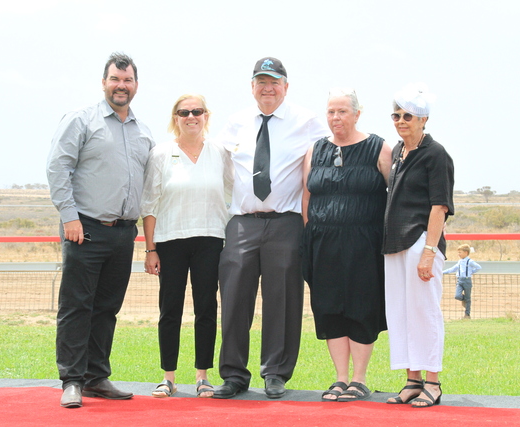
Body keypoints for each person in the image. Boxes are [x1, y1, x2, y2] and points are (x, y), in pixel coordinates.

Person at [213, 57, 329, 399]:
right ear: (252, 87)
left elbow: (331, 155)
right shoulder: (236, 122)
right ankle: (234, 374)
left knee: (282, 300)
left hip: (286, 223)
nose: (268, 88)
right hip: (242, 222)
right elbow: (215, 162)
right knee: (234, 299)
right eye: (261, 82)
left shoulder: (306, 121)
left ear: (286, 87)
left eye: (274, 82)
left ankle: (275, 373)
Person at [46, 52, 154, 408]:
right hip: (85, 228)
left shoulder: (143, 132)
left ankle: (96, 377)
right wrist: (69, 217)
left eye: (127, 80)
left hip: (123, 233)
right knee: (77, 306)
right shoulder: (81, 120)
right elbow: (58, 168)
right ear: (104, 82)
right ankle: (72, 380)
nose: (121, 86)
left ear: (135, 85)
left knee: (107, 308)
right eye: (115, 79)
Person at [302, 88, 392, 402]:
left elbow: (395, 195)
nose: (336, 117)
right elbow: (307, 197)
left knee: (361, 307)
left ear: (357, 114)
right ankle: (340, 378)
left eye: (342, 111)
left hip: (364, 244)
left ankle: (359, 379)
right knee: (329, 309)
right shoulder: (315, 150)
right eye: (331, 112)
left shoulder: (379, 148)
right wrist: (311, 232)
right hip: (323, 244)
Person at [141, 94, 233, 398]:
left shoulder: (220, 152)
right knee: (170, 309)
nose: (191, 117)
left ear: (206, 115)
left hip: (210, 239)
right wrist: (150, 249)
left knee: (206, 308)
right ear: (175, 118)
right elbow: (149, 204)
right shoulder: (160, 154)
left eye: (197, 111)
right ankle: (168, 377)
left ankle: (202, 376)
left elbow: (234, 193)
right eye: (184, 112)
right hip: (170, 241)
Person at [382, 83, 454, 408]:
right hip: (394, 245)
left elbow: (440, 206)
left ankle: (433, 383)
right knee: (400, 313)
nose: (401, 121)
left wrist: (429, 251)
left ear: (423, 119)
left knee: (425, 312)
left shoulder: (436, 154)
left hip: (420, 243)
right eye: (396, 115)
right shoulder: (398, 151)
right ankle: (412, 380)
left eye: (407, 116)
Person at [443, 244, 482, 319]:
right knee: (457, 295)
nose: (459, 254)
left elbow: (478, 267)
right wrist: (442, 272)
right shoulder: (460, 262)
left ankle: (467, 315)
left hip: (467, 280)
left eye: (460, 252)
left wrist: (471, 272)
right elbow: (453, 269)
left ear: (466, 252)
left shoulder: (470, 261)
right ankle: (464, 300)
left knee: (468, 297)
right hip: (460, 280)